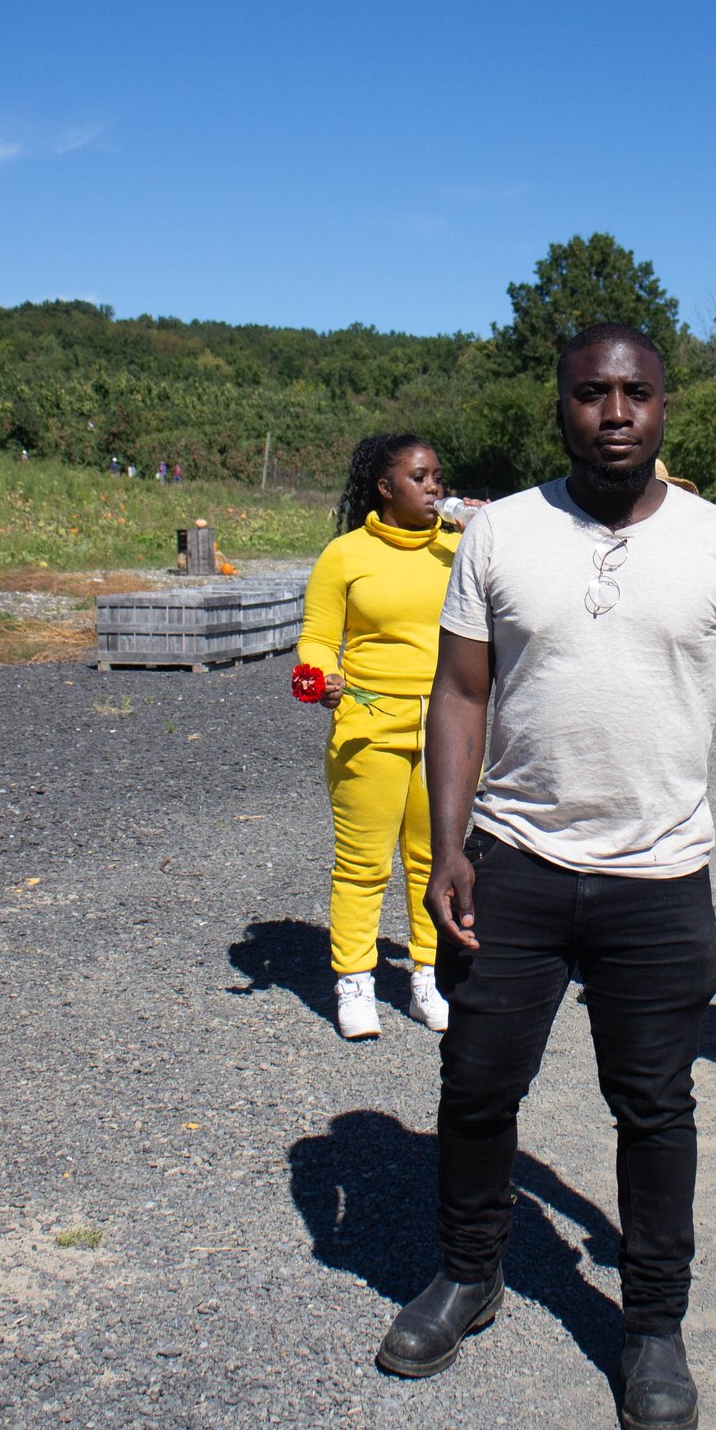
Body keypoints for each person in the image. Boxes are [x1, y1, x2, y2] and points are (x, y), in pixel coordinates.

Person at [378, 324, 716, 1430]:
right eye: (590, 392)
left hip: (660, 877)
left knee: (655, 1104)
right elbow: (460, 695)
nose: (613, 411)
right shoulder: (500, 536)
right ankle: (468, 1270)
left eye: (634, 392)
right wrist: (445, 847)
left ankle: (654, 1322)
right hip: (516, 864)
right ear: (560, 406)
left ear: (665, 405)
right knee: (477, 1082)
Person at [298, 433, 464, 1040]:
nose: (433, 488)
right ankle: (354, 980)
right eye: (419, 478)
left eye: (438, 477)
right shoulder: (345, 554)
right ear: (385, 488)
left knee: (434, 860)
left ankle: (427, 979)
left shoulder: (461, 547)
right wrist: (320, 679)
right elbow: (316, 638)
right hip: (368, 724)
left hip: (447, 725)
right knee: (363, 863)